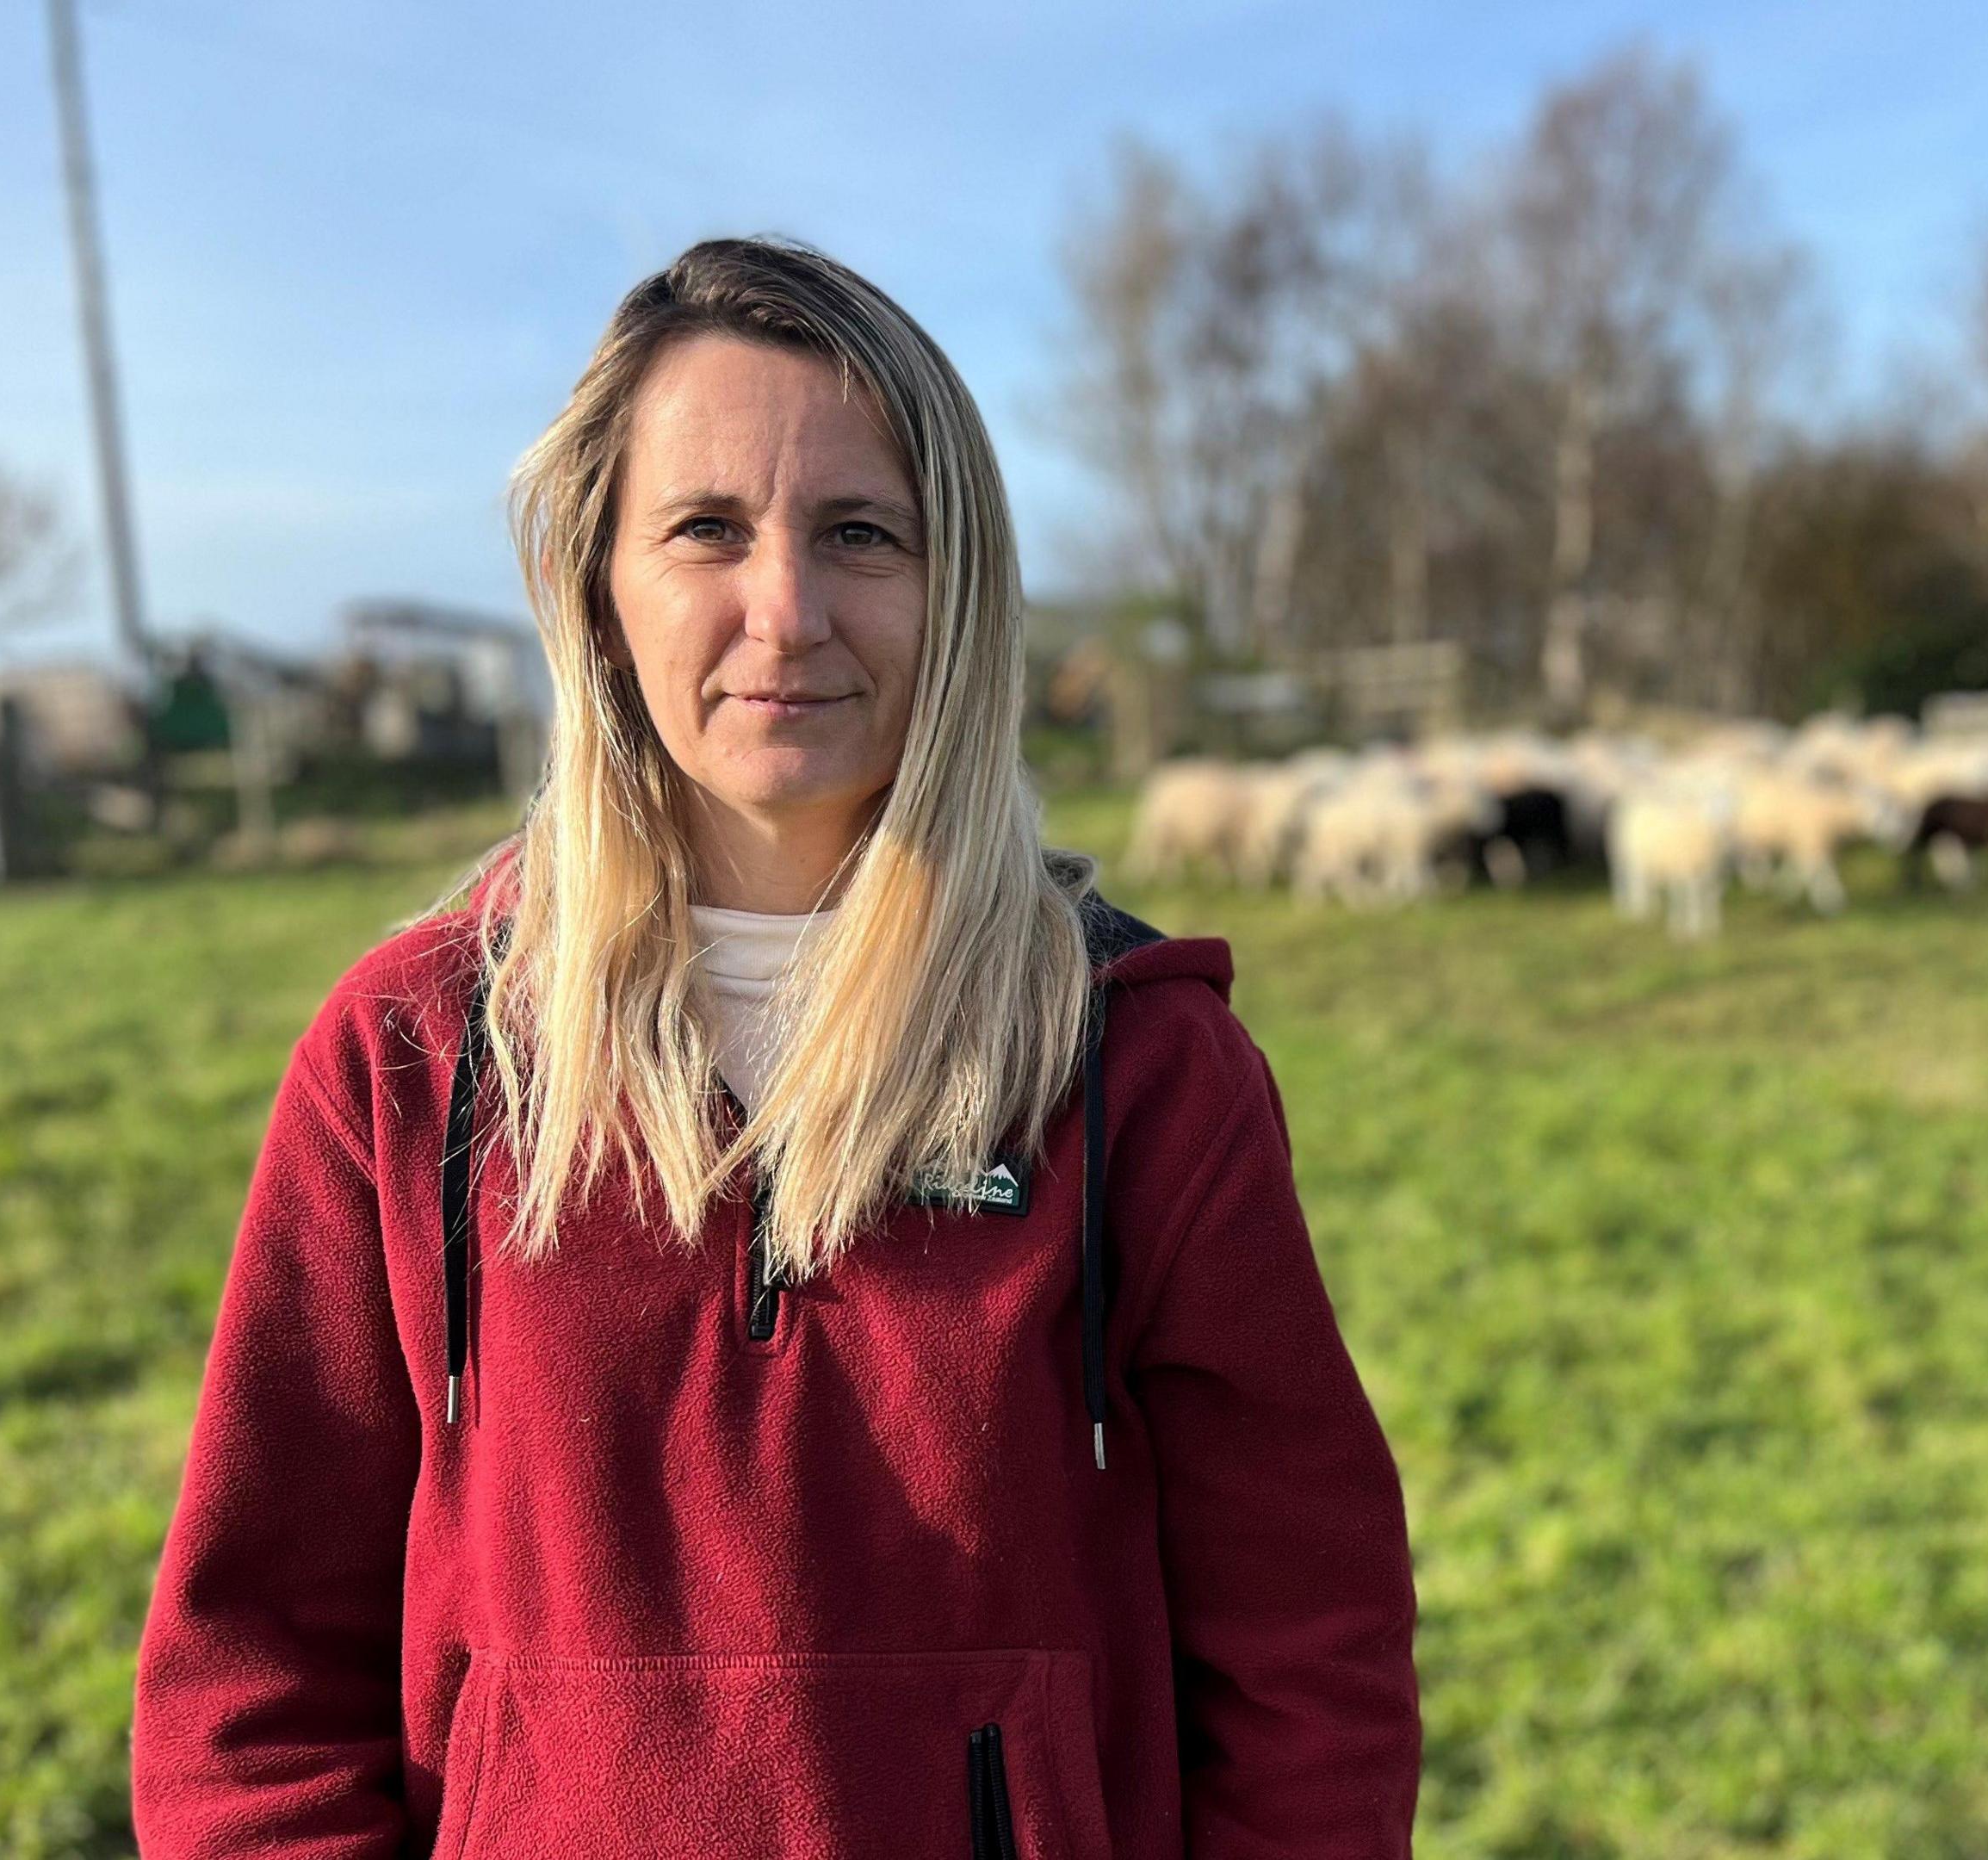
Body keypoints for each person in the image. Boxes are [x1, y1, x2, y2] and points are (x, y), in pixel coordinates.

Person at [129, 236, 1420, 1857]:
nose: (787, 610)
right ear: (598, 587)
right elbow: (248, 1688)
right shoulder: (409, 1067)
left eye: (861, 533)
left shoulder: (1141, 1078)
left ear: (957, 589)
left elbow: (1312, 1660)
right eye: (707, 531)